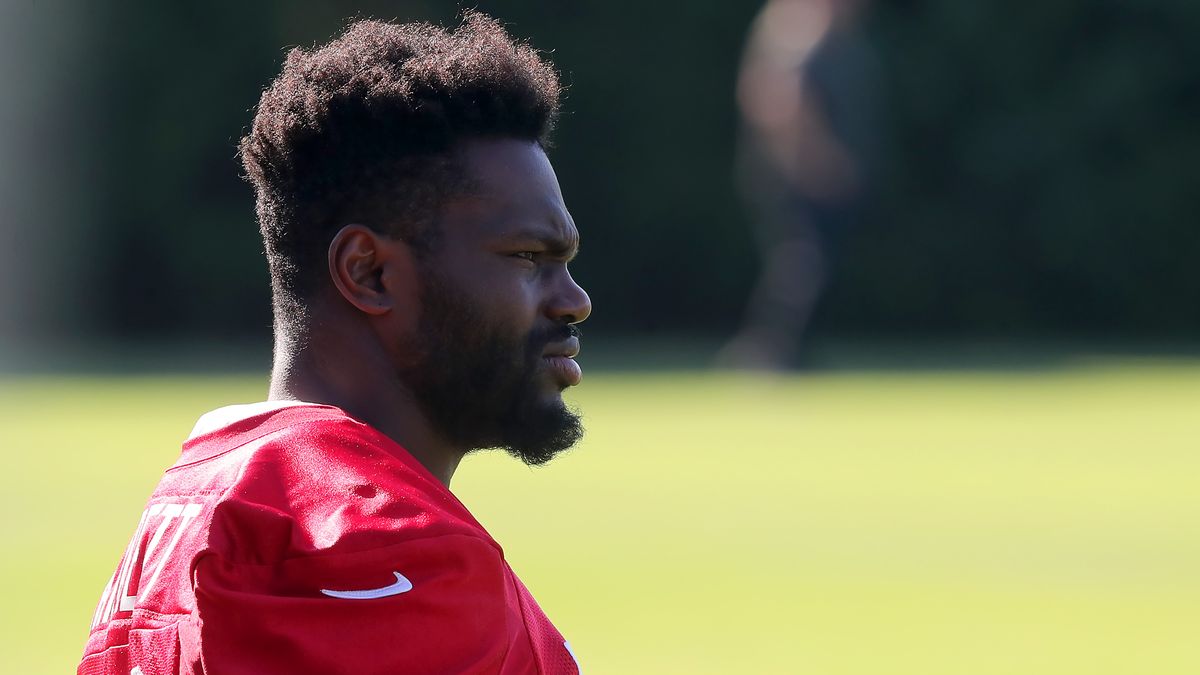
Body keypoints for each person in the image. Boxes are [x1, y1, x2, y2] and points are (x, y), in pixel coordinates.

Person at [79, 13, 589, 675]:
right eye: (528, 256)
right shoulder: (364, 542)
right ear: (368, 271)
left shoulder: (189, 502)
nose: (573, 299)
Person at [719, 0, 878, 370]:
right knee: (800, 264)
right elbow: (780, 101)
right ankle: (766, 353)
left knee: (807, 264)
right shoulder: (799, 27)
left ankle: (792, 354)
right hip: (792, 176)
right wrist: (819, 160)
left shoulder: (806, 27)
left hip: (796, 173)